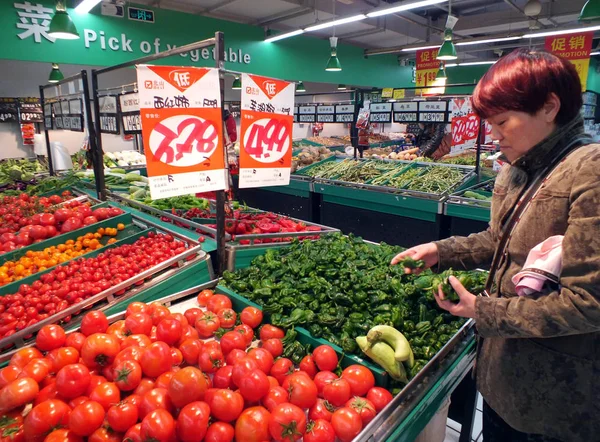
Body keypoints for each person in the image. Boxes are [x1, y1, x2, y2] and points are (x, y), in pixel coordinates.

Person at [391, 48, 600, 442]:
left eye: (503, 121)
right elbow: (497, 240)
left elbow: (589, 303)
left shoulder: (589, 169)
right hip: (503, 376)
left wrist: (483, 309)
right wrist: (441, 251)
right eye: (489, 123)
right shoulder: (516, 169)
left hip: (557, 399)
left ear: (550, 107)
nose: (494, 134)